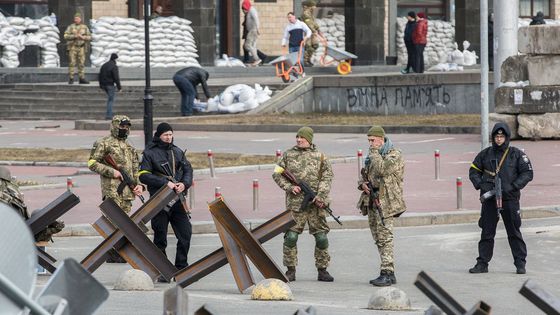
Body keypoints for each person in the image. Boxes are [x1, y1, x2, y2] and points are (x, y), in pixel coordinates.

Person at [468, 123, 533, 275]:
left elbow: (527, 173)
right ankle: (482, 263)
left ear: (507, 138)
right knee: (487, 232)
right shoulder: (485, 154)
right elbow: (473, 171)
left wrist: (514, 186)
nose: (499, 140)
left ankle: (520, 263)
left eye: (501, 137)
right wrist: (481, 185)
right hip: (490, 199)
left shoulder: (516, 154)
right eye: (496, 137)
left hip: (510, 199)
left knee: (514, 232)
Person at [272, 126, 335, 282]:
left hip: (316, 205)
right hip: (295, 205)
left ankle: (322, 270)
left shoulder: (321, 157)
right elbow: (276, 173)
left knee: (321, 237)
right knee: (291, 237)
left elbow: (327, 178)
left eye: (302, 137)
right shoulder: (288, 155)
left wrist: (320, 196)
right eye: (297, 137)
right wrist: (289, 187)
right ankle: (290, 270)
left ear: (310, 139)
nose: (299, 140)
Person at [139, 122, 193, 282]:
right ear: (159, 136)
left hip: (178, 201)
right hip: (159, 201)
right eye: (165, 135)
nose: (169, 137)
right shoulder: (150, 153)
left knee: (186, 234)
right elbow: (143, 174)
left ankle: (181, 267)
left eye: (170, 134)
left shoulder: (178, 152)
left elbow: (188, 170)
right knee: (160, 237)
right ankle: (162, 270)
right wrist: (165, 182)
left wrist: (184, 183)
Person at [88, 115, 144, 263]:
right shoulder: (103, 143)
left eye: (127, 127)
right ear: (115, 126)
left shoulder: (130, 147)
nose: (124, 129)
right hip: (111, 190)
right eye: (122, 126)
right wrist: (113, 172)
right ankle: (113, 252)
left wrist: (138, 185)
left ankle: (121, 252)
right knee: (113, 222)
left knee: (125, 222)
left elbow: (135, 169)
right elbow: (92, 163)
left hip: (127, 192)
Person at [357, 126, 406, 286]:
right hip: (371, 199)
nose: (370, 143)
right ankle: (387, 271)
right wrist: (362, 184)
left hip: (387, 202)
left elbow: (382, 170)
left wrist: (373, 153)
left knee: (385, 237)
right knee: (377, 237)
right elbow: (366, 174)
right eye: (369, 140)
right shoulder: (373, 156)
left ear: (381, 139)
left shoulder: (394, 154)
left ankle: (387, 272)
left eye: (373, 140)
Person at [0, 166, 65, 242]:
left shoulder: (11, 198)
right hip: (17, 234)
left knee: (37, 213)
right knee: (38, 214)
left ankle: (48, 228)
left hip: (19, 232)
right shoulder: (11, 197)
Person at [63, 12, 91, 85]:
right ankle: (71, 78)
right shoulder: (71, 27)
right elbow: (65, 36)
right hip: (73, 47)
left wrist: (83, 37)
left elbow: (90, 37)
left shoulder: (84, 27)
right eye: (75, 18)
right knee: (72, 63)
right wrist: (74, 36)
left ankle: (82, 78)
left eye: (77, 18)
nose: (76, 20)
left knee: (81, 63)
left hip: (81, 47)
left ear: (80, 19)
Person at [99, 53, 122, 120]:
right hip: (110, 85)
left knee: (110, 99)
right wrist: (119, 87)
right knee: (110, 100)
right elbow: (116, 77)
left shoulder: (104, 65)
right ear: (115, 59)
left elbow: (100, 75)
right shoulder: (114, 66)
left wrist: (101, 85)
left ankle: (109, 114)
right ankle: (109, 115)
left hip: (104, 85)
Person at [301, 0, 322, 67]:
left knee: (315, 45)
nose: (315, 7)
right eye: (313, 6)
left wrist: (318, 29)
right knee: (308, 47)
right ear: (310, 6)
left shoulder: (310, 13)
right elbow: (309, 24)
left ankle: (308, 59)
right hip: (307, 33)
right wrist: (314, 31)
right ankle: (305, 61)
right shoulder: (305, 14)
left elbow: (313, 23)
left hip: (312, 33)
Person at [241, 0, 262, 66]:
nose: (243, 11)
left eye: (243, 9)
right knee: (253, 46)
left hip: (253, 30)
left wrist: (258, 28)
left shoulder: (252, 10)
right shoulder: (249, 11)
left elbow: (256, 19)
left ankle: (257, 59)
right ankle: (257, 62)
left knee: (246, 45)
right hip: (251, 30)